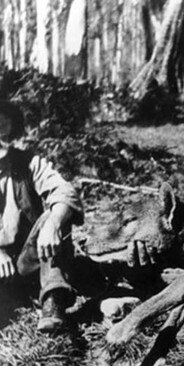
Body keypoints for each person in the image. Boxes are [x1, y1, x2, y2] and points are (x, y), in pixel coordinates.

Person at [0, 100, 83, 332]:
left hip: (29, 259)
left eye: (2, 119)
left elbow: (64, 191)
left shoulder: (28, 163)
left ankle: (52, 300)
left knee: (54, 215)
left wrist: (53, 223)